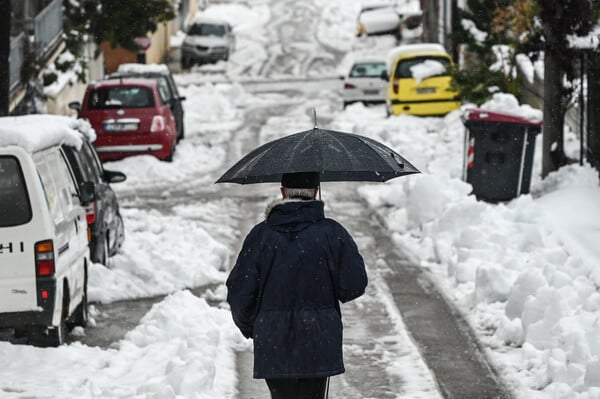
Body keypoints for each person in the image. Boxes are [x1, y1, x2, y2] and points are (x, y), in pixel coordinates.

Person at [226, 171, 368, 399]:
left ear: (283, 193)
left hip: (274, 343)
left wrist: (254, 327)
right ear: (315, 192)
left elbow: (240, 294)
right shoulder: (332, 234)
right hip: (319, 344)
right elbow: (354, 285)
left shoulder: (260, 237)